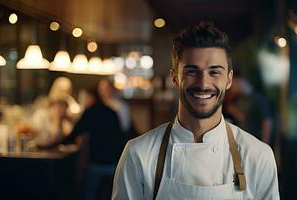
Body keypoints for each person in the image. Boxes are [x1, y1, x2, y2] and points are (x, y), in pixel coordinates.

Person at [112, 21, 279, 199]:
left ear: (229, 80)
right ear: (175, 78)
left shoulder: (258, 156)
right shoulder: (138, 154)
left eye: (214, 72)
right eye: (192, 71)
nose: (203, 84)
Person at [63, 81, 127, 200]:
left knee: (89, 194)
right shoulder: (112, 112)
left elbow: (73, 134)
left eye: (85, 97)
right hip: (114, 163)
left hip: (97, 163)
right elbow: (120, 135)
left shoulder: (90, 112)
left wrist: (59, 142)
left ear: (92, 97)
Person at [224, 71, 273, 145]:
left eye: (233, 84)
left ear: (240, 81)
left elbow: (267, 123)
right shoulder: (239, 99)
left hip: (255, 141)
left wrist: (264, 144)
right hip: (243, 142)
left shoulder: (258, 99)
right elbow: (243, 119)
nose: (232, 88)